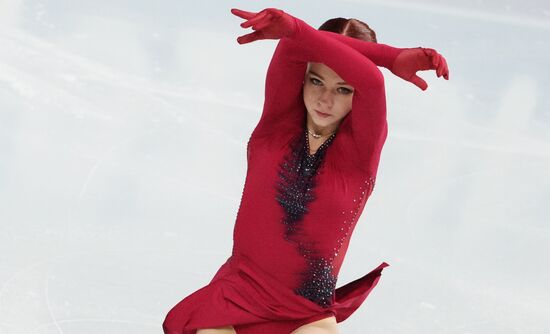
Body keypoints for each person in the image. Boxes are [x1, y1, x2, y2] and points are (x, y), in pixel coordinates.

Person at [162, 7, 449, 334]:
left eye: (343, 89)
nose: (325, 99)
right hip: (236, 295)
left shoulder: (360, 155)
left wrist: (386, 58)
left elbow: (369, 78)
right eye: (316, 81)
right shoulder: (275, 129)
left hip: (306, 312)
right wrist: (388, 55)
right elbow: (291, 46)